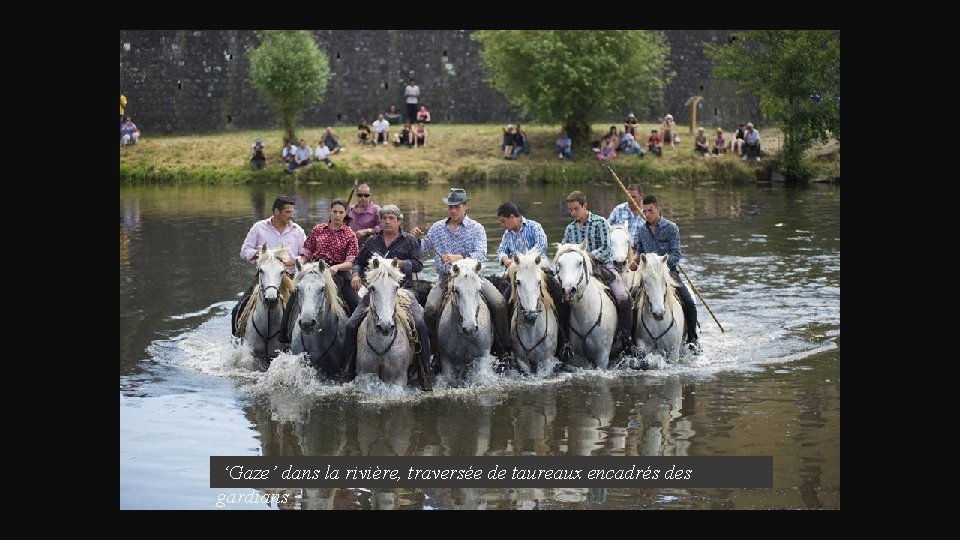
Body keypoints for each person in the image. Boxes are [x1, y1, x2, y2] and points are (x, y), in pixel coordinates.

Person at [412, 188, 512, 361]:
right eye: (450, 207)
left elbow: (480, 255)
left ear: (466, 206)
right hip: (446, 279)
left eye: (457, 206)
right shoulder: (437, 228)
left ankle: (504, 348)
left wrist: (459, 258)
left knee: (499, 303)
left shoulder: (476, 228)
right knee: (429, 310)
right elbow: (420, 251)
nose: (452, 210)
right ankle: (433, 353)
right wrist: (414, 239)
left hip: (473, 277)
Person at [342, 205, 433, 390]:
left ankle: (425, 371)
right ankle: (347, 369)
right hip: (374, 291)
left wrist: (399, 263)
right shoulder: (372, 241)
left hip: (404, 291)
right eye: (383, 218)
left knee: (420, 323)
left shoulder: (409, 240)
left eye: (391, 218)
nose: (387, 221)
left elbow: (417, 265)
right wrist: (356, 275)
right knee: (351, 324)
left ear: (399, 221)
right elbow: (358, 263)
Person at [561, 191, 636, 355]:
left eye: (575, 209)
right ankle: (565, 341)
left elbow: (606, 249)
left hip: (602, 267)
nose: (573, 213)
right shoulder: (569, 229)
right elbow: (564, 250)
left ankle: (627, 340)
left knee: (623, 298)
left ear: (584, 206)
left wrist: (587, 256)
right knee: (561, 299)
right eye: (570, 210)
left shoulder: (600, 222)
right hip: (576, 271)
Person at [629, 195, 700, 352]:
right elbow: (639, 250)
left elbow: (676, 254)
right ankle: (631, 340)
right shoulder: (642, 230)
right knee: (630, 300)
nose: (647, 214)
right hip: (647, 275)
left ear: (658, 209)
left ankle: (693, 337)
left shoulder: (671, 228)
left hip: (668, 272)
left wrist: (660, 266)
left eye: (651, 211)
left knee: (688, 300)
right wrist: (634, 261)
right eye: (645, 211)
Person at [233, 195, 306, 336]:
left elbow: (306, 255)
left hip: (290, 277)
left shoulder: (297, 231)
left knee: (303, 312)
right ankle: (236, 342)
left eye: (292, 212)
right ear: (277, 211)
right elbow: (244, 252)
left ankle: (298, 342)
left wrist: (294, 261)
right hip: (264, 277)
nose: (291, 215)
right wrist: (260, 255)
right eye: (288, 212)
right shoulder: (259, 228)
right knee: (237, 309)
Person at [299, 199, 361, 314]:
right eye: (335, 212)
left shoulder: (350, 235)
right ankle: (284, 330)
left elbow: (352, 262)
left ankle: (356, 329)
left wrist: (337, 267)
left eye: (341, 212)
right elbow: (307, 252)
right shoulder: (318, 229)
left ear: (345, 214)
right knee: (293, 298)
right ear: (330, 212)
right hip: (315, 269)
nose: (337, 215)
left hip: (339, 272)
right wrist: (300, 263)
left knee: (355, 305)